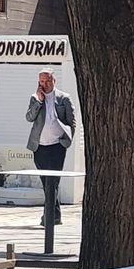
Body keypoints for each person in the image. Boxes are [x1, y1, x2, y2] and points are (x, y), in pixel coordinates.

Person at [25, 67, 76, 225]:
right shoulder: (35, 98)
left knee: (53, 182)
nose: (45, 84)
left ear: (54, 80)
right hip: (39, 146)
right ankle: (55, 216)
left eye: (47, 81)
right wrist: (39, 101)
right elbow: (29, 117)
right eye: (42, 81)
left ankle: (48, 218)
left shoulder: (64, 98)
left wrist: (66, 141)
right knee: (45, 182)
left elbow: (72, 122)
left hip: (56, 146)